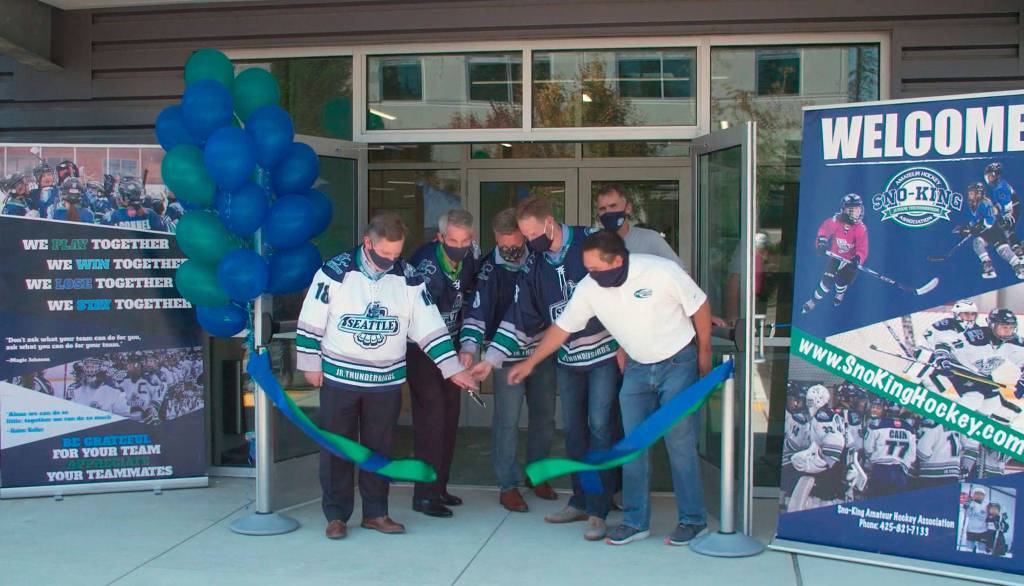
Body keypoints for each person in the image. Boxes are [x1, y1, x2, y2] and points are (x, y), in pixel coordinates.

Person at [505, 230, 713, 546]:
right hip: (637, 369)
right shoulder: (591, 287)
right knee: (631, 446)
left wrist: (705, 350)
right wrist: (531, 362)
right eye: (587, 269)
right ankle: (634, 521)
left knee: (679, 441)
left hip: (677, 363)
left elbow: (699, 304)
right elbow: (562, 329)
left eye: (597, 269)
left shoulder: (660, 270)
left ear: (618, 260)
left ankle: (693, 520)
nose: (591, 276)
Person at [296, 212, 477, 540]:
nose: (390, 260)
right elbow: (312, 317)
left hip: (386, 383)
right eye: (385, 254)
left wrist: (452, 369)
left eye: (396, 254)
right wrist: (310, 363)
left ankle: (376, 513)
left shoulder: (407, 276)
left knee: (379, 450)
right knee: (339, 447)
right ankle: (336, 515)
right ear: (368, 243)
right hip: (340, 378)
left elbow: (428, 325)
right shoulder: (335, 272)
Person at [472, 196, 620, 541]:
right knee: (574, 431)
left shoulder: (590, 240)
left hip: (602, 356)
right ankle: (581, 500)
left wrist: (627, 343)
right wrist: (491, 359)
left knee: (600, 427)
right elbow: (521, 316)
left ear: (549, 223)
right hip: (568, 360)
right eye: (524, 236)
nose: (528, 243)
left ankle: (599, 508)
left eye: (532, 234)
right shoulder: (535, 265)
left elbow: (623, 287)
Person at [459, 208, 558, 512]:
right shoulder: (488, 269)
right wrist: (469, 348)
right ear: (495, 239)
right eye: (505, 245)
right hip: (504, 357)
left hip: (541, 352)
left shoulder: (540, 259)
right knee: (507, 421)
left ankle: (537, 474)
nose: (512, 250)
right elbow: (476, 313)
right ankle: (507, 483)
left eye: (516, 243)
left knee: (544, 417)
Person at [407, 208, 481, 518]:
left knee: (450, 418)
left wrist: (467, 344)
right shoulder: (423, 264)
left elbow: (473, 299)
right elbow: (419, 320)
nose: (460, 246)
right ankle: (424, 495)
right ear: (440, 237)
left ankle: (440, 487)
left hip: (452, 345)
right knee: (431, 420)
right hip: (423, 350)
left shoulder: (472, 256)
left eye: (465, 240)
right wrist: (450, 359)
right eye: (453, 240)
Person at [801, 193, 869, 313]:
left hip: (850, 261)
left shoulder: (860, 228)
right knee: (826, 281)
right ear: (845, 211)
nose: (857, 213)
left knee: (841, 281)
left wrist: (858, 259)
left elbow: (862, 248)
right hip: (836, 257)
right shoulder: (836, 220)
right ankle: (813, 300)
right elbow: (824, 230)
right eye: (853, 210)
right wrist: (821, 242)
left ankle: (839, 294)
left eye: (859, 209)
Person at [594, 183, 686, 269]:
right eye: (602, 209)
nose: (608, 212)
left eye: (613, 206)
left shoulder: (650, 239)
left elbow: (681, 275)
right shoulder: (593, 244)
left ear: (628, 208)